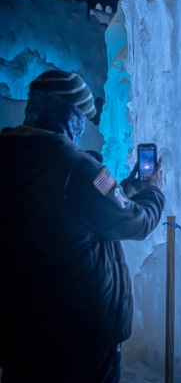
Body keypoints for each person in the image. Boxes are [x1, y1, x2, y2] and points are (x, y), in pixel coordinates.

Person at [0, 69, 165, 382]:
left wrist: (126, 188)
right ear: (70, 116)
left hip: (20, 334)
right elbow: (134, 221)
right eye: (82, 118)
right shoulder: (78, 167)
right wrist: (154, 191)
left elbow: (80, 205)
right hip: (77, 342)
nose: (81, 128)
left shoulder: (9, 154)